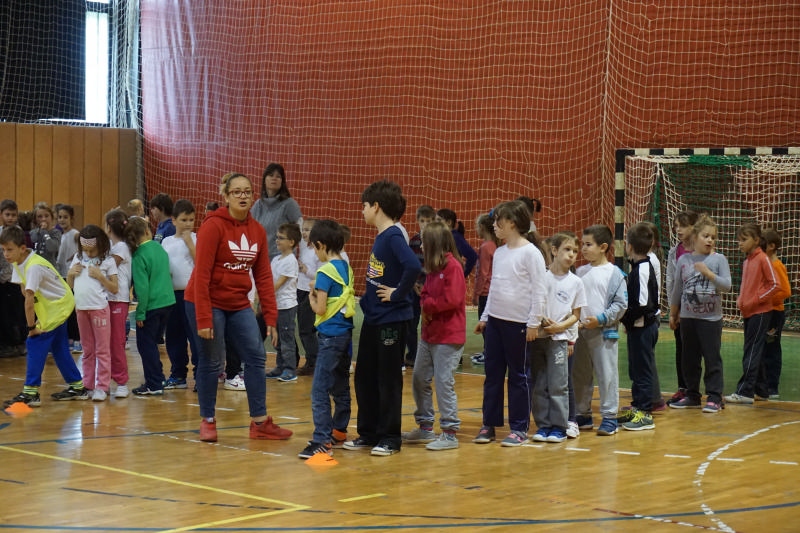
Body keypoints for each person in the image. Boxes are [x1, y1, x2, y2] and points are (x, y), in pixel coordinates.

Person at [185, 172, 291, 443]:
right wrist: (203, 318)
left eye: (247, 191)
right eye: (237, 192)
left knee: (256, 356)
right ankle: (208, 420)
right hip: (206, 301)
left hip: (238, 303)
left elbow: (263, 276)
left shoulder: (257, 231)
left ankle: (260, 423)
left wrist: (270, 315)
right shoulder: (213, 226)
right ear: (226, 196)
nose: (243, 196)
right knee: (211, 361)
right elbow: (202, 274)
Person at [343, 180, 421, 457]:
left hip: (392, 319)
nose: (362, 210)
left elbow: (413, 265)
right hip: (374, 318)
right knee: (364, 376)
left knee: (388, 380)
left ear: (376, 207)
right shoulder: (382, 236)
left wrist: (398, 293)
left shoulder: (393, 236)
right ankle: (368, 433)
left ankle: (390, 437)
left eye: (364, 205)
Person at [473, 200, 546, 447]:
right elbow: (494, 287)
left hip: (519, 325)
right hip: (495, 323)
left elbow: (539, 290)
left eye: (498, 221)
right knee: (492, 375)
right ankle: (489, 424)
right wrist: (485, 317)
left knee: (518, 376)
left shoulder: (531, 253)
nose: (494, 225)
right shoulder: (500, 252)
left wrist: (534, 322)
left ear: (512, 223)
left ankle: (519, 427)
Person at [1, 226, 87, 407]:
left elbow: (29, 300)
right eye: (3, 250)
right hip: (52, 305)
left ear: (22, 248)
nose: (6, 254)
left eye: (9, 250)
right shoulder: (18, 261)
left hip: (59, 305)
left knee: (34, 343)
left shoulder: (34, 267)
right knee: (59, 347)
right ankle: (77, 387)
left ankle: (30, 392)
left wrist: (32, 327)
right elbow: (24, 289)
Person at [402, 221, 466, 451]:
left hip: (448, 336)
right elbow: (425, 293)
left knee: (443, 382)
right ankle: (425, 426)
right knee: (419, 378)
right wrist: (426, 303)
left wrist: (428, 306)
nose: (421, 247)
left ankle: (450, 432)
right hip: (429, 334)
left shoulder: (452, 267)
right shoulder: (432, 268)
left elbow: (452, 300)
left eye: (424, 242)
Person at [298, 219, 356, 459]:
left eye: (314, 248)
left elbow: (320, 308)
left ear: (321, 245)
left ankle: (322, 439)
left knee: (320, 389)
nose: (314, 252)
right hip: (345, 334)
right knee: (340, 383)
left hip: (329, 335)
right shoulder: (345, 267)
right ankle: (339, 429)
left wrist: (312, 297)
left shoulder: (324, 271)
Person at [668, 214, 731, 412]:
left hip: (710, 319)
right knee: (689, 359)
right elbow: (677, 289)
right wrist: (673, 313)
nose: (710, 240)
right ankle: (692, 395)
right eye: (706, 236)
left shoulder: (719, 259)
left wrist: (709, 274)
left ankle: (714, 397)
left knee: (712, 358)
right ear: (695, 237)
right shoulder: (683, 260)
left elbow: (727, 286)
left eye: (713, 237)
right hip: (688, 318)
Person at [530, 231, 586, 443]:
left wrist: (560, 327)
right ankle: (543, 425)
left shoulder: (576, 282)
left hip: (560, 339)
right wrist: (542, 321)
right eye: (567, 249)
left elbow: (576, 315)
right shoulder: (541, 278)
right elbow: (534, 304)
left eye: (575, 251)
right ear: (554, 250)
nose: (571, 254)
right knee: (540, 383)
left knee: (558, 384)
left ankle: (559, 427)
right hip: (539, 338)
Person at [572, 224, 628, 435]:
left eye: (588, 244)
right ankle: (582, 414)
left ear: (603, 247)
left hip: (603, 333)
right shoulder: (579, 272)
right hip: (580, 332)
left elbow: (620, 304)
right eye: (582, 244)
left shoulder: (615, 274)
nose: (583, 249)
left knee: (607, 375)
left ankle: (609, 416)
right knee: (580, 375)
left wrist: (601, 319)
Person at [724, 223, 779, 404]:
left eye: (744, 239)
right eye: (739, 240)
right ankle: (761, 390)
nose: (740, 243)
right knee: (756, 350)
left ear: (756, 240)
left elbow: (775, 284)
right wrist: (741, 299)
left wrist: (756, 299)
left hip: (760, 312)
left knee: (752, 350)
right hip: (749, 312)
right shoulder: (747, 261)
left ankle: (745, 391)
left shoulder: (763, 259)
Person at [66, 225, 119, 402]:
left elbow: (114, 287)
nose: (88, 253)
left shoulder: (108, 261)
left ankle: (102, 386)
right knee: (87, 350)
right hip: (81, 309)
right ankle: (88, 384)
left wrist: (100, 276)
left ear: (101, 245)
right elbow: (70, 286)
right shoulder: (78, 257)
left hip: (99, 309)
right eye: (85, 250)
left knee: (102, 350)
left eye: (92, 250)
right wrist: (70, 274)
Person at [124, 217, 175, 395]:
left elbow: (142, 288)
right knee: (153, 343)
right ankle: (158, 378)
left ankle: (154, 384)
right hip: (168, 303)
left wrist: (140, 313)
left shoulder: (139, 256)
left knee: (146, 345)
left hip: (152, 306)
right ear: (147, 231)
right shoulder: (159, 248)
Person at [616, 223, 660, 431]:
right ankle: (637, 407)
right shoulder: (638, 267)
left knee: (642, 370)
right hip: (637, 327)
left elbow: (642, 304)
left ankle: (644, 412)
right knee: (635, 369)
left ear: (629, 246)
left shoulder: (642, 269)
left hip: (643, 328)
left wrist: (624, 318)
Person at [161, 199, 200, 390]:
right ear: (174, 220)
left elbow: (201, 262)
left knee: (196, 336)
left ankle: (201, 375)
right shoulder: (166, 242)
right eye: (184, 220)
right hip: (172, 295)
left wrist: (190, 243)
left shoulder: (197, 239)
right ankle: (178, 374)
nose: (188, 224)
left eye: (191, 220)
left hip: (192, 295)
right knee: (174, 335)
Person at [664, 210, 698, 406]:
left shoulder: (703, 251)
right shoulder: (673, 252)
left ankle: (712, 392)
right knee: (682, 349)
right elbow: (671, 282)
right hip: (681, 309)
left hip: (700, 310)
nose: (678, 230)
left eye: (683, 226)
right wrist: (673, 310)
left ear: (694, 227)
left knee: (702, 351)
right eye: (676, 226)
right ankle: (683, 388)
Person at [266, 222, 301, 382]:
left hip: (286, 306)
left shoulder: (291, 261)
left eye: (281, 238)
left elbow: (278, 284)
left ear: (291, 242)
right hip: (276, 305)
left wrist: (264, 295)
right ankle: (280, 366)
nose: (277, 240)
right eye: (277, 237)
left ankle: (289, 369)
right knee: (278, 339)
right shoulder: (276, 259)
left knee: (286, 337)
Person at [761, 228, 791, 399]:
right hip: (765, 312)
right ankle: (763, 385)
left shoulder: (777, 266)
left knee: (771, 348)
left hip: (774, 313)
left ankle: (772, 386)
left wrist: (765, 299)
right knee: (763, 348)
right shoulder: (765, 264)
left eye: (763, 243)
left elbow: (785, 291)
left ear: (771, 246)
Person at [105, 209, 132, 398]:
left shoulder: (122, 246)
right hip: (105, 299)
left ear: (108, 227)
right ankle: (103, 381)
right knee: (104, 343)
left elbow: (107, 266)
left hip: (118, 300)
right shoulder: (111, 246)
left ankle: (121, 381)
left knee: (116, 342)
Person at [250, 162, 303, 259]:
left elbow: (300, 230)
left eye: (278, 176)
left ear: (282, 182)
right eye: (271, 175)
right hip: (261, 257)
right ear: (264, 180)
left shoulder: (289, 204)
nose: (274, 178)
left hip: (282, 259)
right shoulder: (258, 205)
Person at [405, 204, 435, 368]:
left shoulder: (437, 241)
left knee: (429, 323)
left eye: (429, 221)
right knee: (411, 322)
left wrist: (426, 285)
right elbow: (411, 264)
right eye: (422, 221)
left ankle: (428, 357)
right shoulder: (414, 241)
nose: (425, 224)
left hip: (430, 289)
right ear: (417, 221)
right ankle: (412, 355)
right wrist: (415, 283)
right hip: (414, 288)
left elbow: (436, 267)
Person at [470, 212, 499, 366]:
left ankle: (489, 354)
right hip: (495, 292)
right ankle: (489, 352)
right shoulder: (496, 245)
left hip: (486, 292)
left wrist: (476, 294)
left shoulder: (486, 246)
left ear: (482, 227)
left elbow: (483, 274)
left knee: (484, 325)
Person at [0, 200, 28, 358]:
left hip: (14, 280)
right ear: (1, 215)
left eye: (13, 215)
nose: (10, 218)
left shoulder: (18, 233)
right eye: (7, 214)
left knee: (16, 313)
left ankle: (19, 344)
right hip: (3, 281)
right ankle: (7, 343)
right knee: (5, 314)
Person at [296, 218, 321, 376]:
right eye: (303, 229)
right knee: (302, 328)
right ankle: (312, 361)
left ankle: (314, 362)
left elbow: (321, 275)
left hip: (310, 292)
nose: (303, 232)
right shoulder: (305, 247)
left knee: (307, 330)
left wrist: (306, 270)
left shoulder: (318, 251)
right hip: (299, 290)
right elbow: (298, 221)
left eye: (307, 230)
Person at [436, 208, 478, 278]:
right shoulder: (447, 236)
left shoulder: (455, 237)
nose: (435, 223)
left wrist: (463, 275)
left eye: (439, 220)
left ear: (449, 222)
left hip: (451, 277)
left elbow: (472, 256)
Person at [29, 202, 61, 267]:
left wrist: (44, 232)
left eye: (46, 216)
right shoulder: (32, 233)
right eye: (40, 217)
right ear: (35, 219)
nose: (43, 219)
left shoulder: (56, 232)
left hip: (50, 268)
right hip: (36, 267)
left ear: (51, 217)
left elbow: (52, 248)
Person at [55, 205, 79, 278]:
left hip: (71, 272)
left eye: (65, 217)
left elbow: (85, 246)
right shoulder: (61, 235)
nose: (62, 220)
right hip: (61, 272)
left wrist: (76, 254)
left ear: (71, 219)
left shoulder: (75, 234)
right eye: (60, 217)